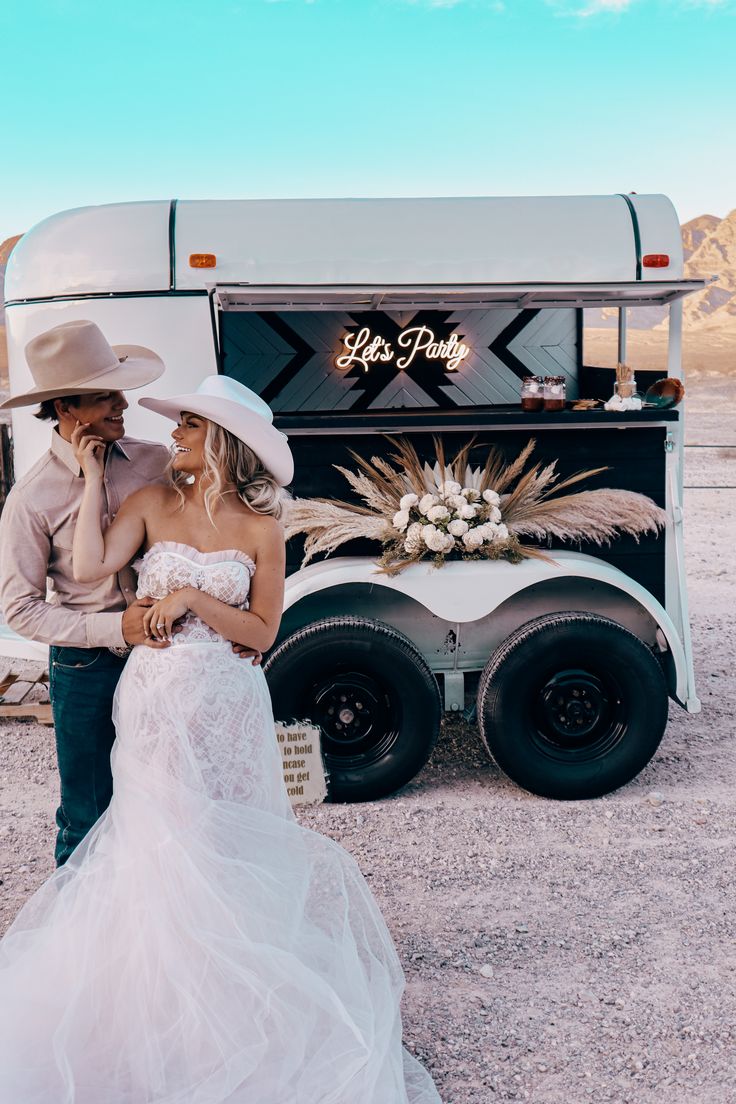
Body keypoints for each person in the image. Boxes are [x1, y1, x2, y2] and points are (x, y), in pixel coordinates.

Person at [0, 374, 441, 1103]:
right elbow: (85, 569)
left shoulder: (260, 527)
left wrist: (195, 598)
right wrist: (85, 478)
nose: (168, 431)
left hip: (229, 700)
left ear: (223, 444)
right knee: (152, 833)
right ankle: (141, 1006)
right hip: (153, 693)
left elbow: (262, 633)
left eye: (189, 426)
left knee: (226, 836)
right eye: (175, 425)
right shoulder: (144, 499)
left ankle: (234, 993)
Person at [0, 320, 261, 867]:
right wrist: (112, 628)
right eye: (105, 396)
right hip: (86, 668)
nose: (124, 402)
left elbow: (220, 525)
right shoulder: (32, 498)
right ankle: (83, 939)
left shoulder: (154, 462)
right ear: (66, 409)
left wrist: (241, 618)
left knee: (174, 805)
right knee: (88, 810)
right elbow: (17, 609)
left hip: (172, 664)